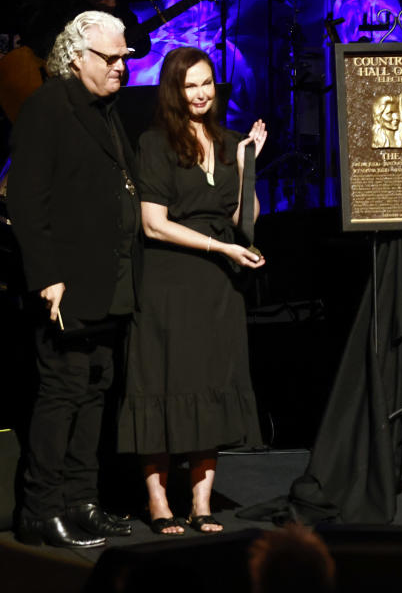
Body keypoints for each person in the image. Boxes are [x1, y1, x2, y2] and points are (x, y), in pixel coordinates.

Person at [116, 46, 266, 535]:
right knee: (160, 381)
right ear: (174, 90)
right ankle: (158, 500)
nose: (201, 93)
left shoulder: (228, 141)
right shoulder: (154, 143)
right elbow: (153, 225)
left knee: (210, 383)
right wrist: (217, 248)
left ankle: (201, 502)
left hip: (217, 286)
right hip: (169, 279)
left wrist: (247, 168)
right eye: (190, 85)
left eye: (207, 83)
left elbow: (243, 223)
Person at [6, 10, 139, 548]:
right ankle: (40, 509)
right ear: (77, 57)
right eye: (109, 59)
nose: (120, 68)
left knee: (96, 389)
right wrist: (48, 277)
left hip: (108, 277)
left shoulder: (104, 107)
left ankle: (82, 500)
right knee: (62, 391)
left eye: (124, 58)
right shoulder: (48, 106)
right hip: (67, 282)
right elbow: (26, 199)